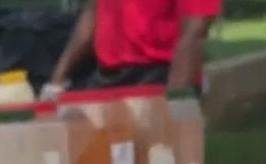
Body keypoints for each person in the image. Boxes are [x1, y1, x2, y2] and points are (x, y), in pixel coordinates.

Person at [44, 0, 220, 97]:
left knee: (153, 151)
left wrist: (175, 100)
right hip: (109, 76)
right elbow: (93, 12)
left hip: (160, 76)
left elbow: (195, 31)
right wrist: (57, 81)